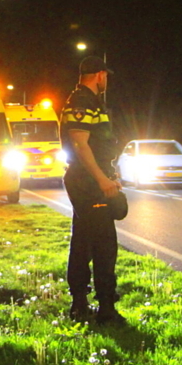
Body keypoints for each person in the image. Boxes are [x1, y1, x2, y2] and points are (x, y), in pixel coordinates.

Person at [60, 55, 125, 325]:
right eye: (106, 76)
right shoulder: (82, 101)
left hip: (89, 179)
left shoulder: (90, 102)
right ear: (99, 75)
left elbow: (97, 145)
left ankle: (79, 303)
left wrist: (111, 173)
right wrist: (101, 179)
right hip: (87, 182)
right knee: (104, 244)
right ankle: (106, 309)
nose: (107, 80)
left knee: (84, 240)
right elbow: (80, 145)